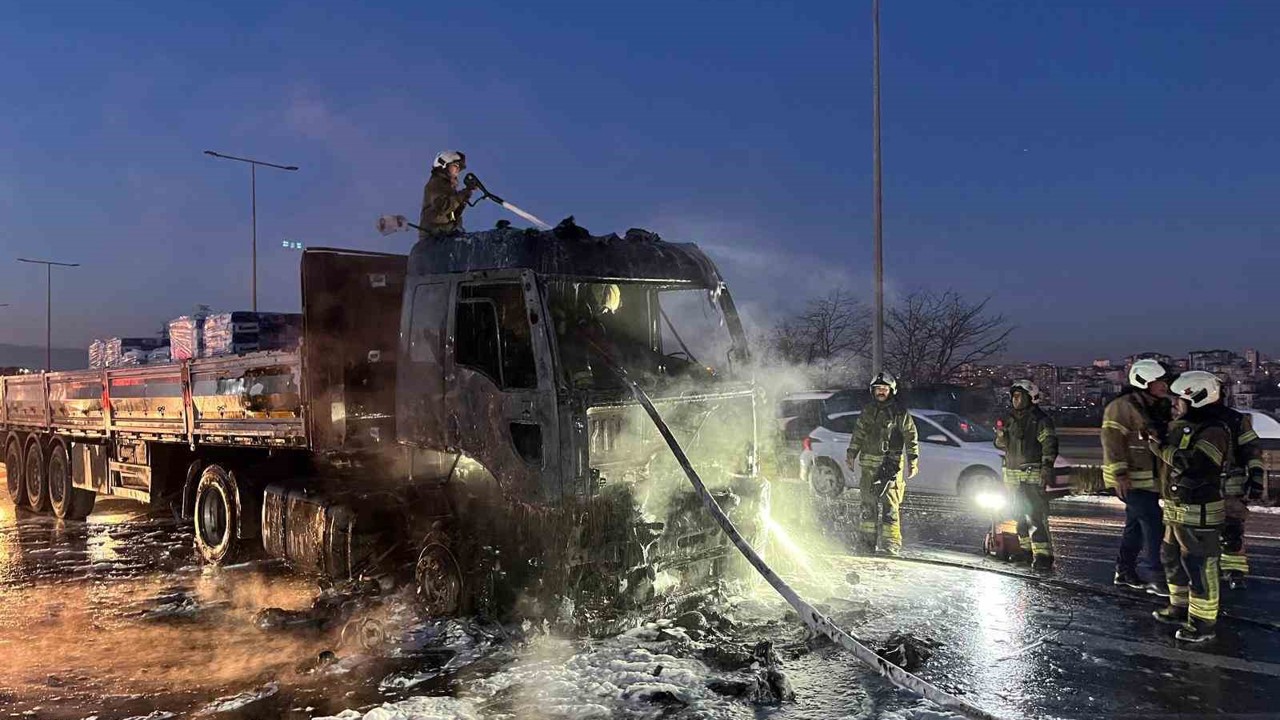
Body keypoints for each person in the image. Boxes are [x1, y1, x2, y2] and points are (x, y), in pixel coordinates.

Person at [1149, 371, 1230, 643]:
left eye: (1179, 399)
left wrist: (1161, 448)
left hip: (1200, 511)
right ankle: (1179, 607)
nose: (1175, 404)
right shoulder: (1185, 426)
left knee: (1199, 565)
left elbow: (1197, 465)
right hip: (1177, 509)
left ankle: (1203, 622)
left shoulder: (1214, 430)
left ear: (1196, 397)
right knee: (1171, 558)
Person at [1101, 358, 1173, 596]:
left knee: (1136, 526)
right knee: (1153, 523)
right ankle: (1157, 576)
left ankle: (1124, 572)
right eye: (1159, 381)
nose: (1164, 385)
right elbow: (1112, 441)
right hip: (1129, 480)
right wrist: (1120, 473)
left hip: (1148, 481)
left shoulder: (1156, 405)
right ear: (1144, 381)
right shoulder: (1122, 407)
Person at [845, 371, 919, 556]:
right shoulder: (868, 411)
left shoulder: (899, 413)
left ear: (891, 390)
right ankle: (866, 544)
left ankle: (891, 545)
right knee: (867, 507)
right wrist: (851, 454)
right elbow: (858, 434)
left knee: (890, 508)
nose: (881, 392)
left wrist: (913, 460)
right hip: (868, 469)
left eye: (884, 389)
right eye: (878, 389)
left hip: (891, 468)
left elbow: (911, 437)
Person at [994, 380, 1059, 571]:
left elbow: (1049, 445)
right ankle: (1025, 551)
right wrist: (1000, 437)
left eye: (1019, 396)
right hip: (1012, 476)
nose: (1015, 400)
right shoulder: (1009, 419)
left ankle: (1043, 556)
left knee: (1035, 516)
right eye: (1013, 396)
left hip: (1032, 474)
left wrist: (1047, 468)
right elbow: (1001, 445)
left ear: (1031, 397)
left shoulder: (1040, 420)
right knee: (1018, 515)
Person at [1220, 402, 1265, 589]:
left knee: (1231, 530)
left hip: (1229, 482)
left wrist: (1256, 476)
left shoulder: (1235, 420)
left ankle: (1234, 572)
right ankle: (1227, 572)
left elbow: (1252, 449)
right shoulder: (1235, 419)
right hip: (1207, 483)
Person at [419, 150, 474, 239]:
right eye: (455, 166)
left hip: (446, 234)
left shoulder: (449, 187)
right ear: (444, 165)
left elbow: (452, 214)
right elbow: (443, 207)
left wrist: (466, 195)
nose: (458, 170)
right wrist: (462, 196)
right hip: (432, 235)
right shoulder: (436, 183)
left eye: (459, 168)